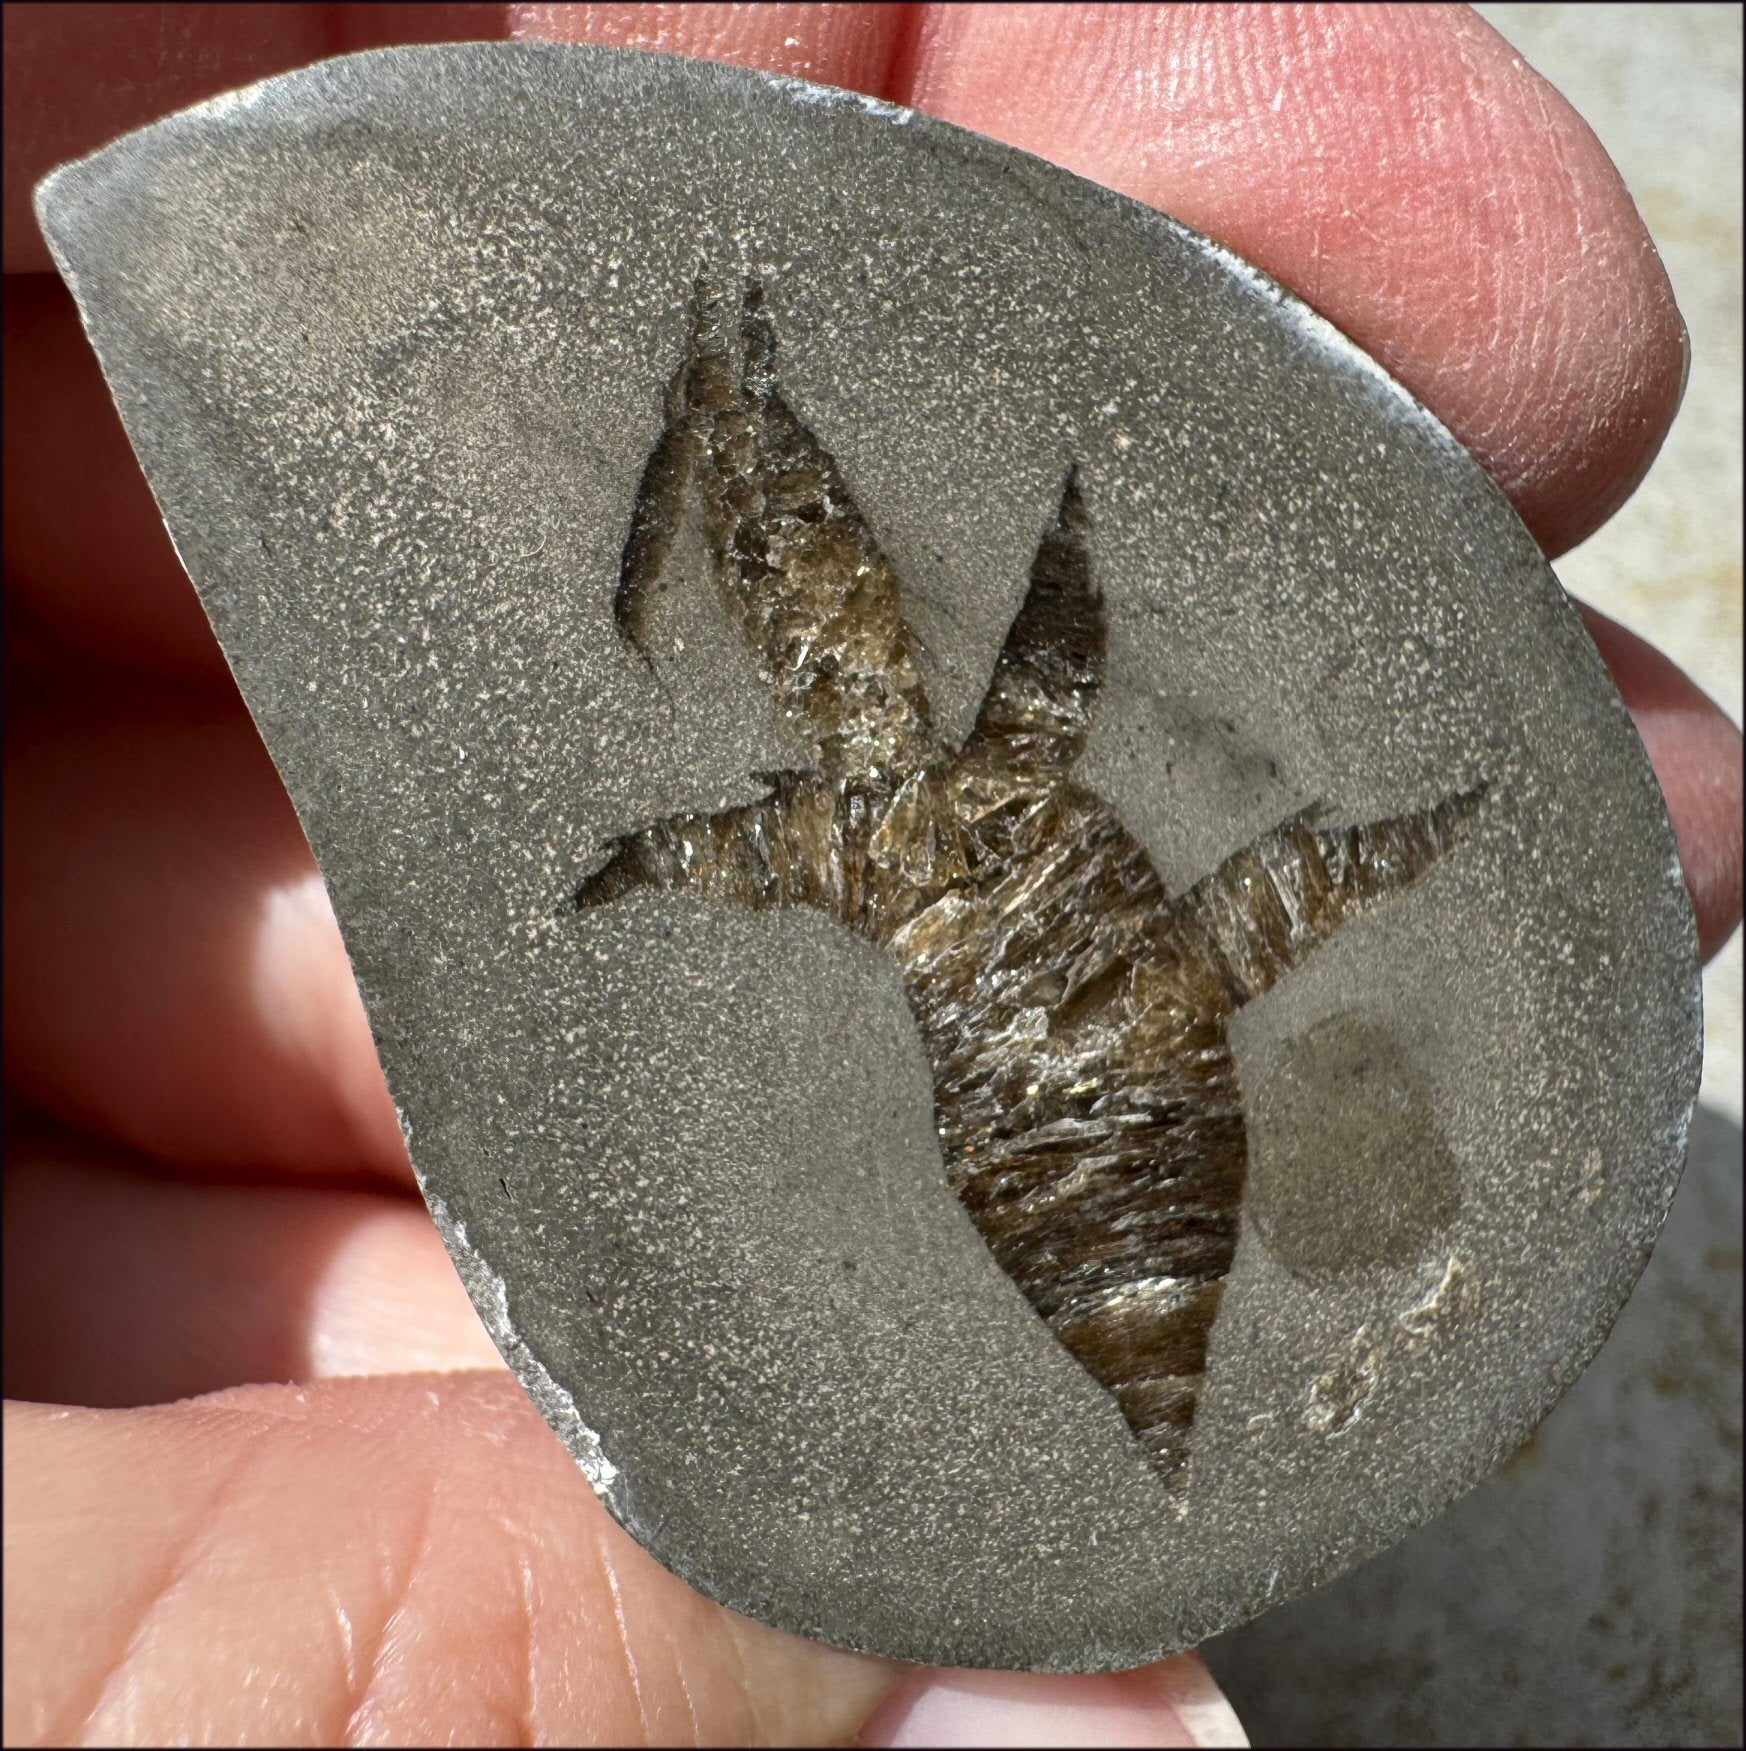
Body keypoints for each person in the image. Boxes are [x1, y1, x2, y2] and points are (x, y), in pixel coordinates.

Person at [4, 6, 1739, 1745]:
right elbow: (1237, 871)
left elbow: (1213, 859)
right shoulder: (887, 809)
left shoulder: (891, 808)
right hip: (1114, 1135)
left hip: (1146, 1176)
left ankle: (731, 395)